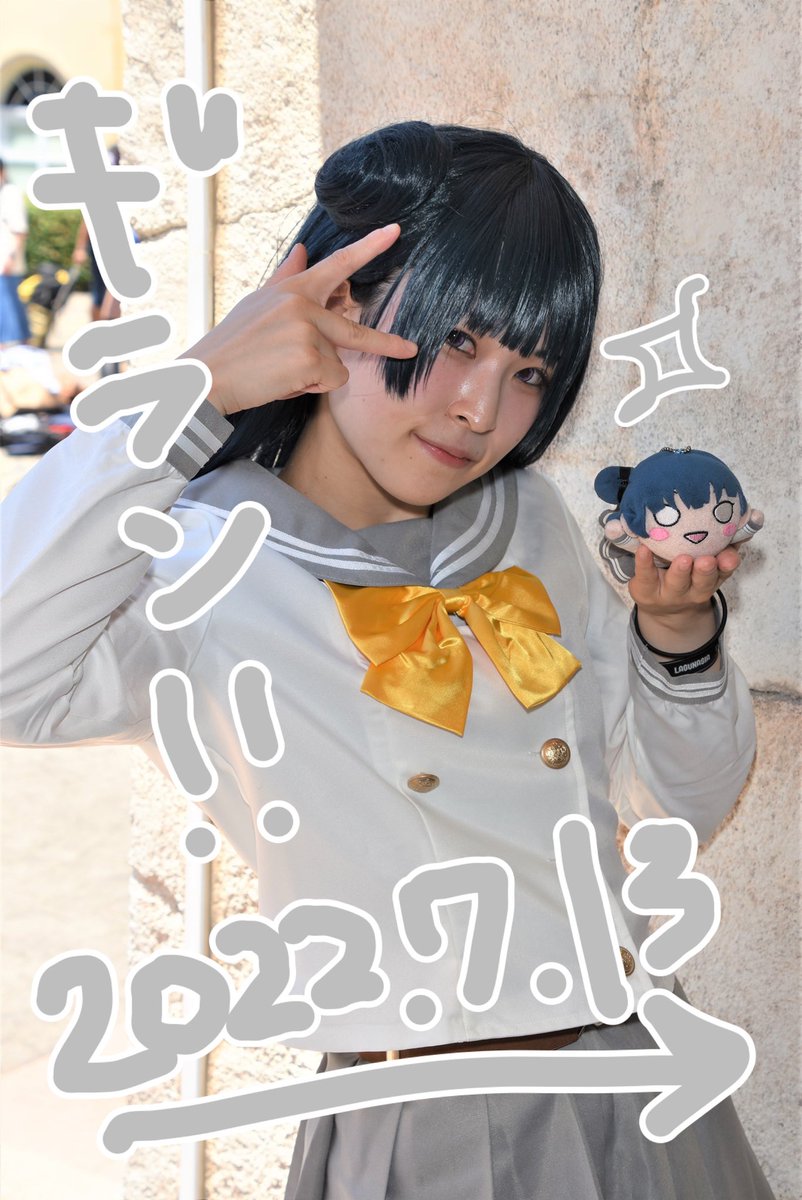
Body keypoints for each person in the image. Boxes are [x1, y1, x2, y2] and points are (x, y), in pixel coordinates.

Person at [0, 122, 775, 1199]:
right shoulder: (204, 558)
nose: (481, 410)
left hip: (644, 1077)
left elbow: (672, 806)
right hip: (432, 1120)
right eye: (456, 341)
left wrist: (676, 641)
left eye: (528, 372)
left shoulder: (532, 520)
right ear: (333, 304)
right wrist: (194, 395)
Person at [0, 158, 31, 346]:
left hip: (7, 263)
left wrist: (10, 258)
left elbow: (20, 231)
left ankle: (12, 347)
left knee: (8, 306)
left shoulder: (11, 194)